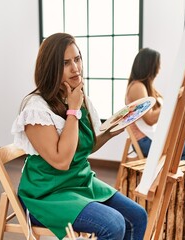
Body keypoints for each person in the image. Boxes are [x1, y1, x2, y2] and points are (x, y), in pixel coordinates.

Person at [11, 33, 147, 240]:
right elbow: (62, 161)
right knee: (113, 225)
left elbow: (84, 147)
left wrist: (111, 132)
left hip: (80, 182)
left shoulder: (76, 96)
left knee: (138, 216)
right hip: (47, 194)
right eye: (66, 63)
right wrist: (73, 109)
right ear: (51, 68)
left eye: (77, 59)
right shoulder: (36, 108)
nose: (75, 67)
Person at [125, 47, 185, 162]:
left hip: (154, 136)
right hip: (145, 141)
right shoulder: (137, 87)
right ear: (150, 66)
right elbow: (149, 119)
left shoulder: (148, 87)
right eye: (157, 65)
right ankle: (164, 174)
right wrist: (173, 99)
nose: (159, 68)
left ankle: (168, 170)